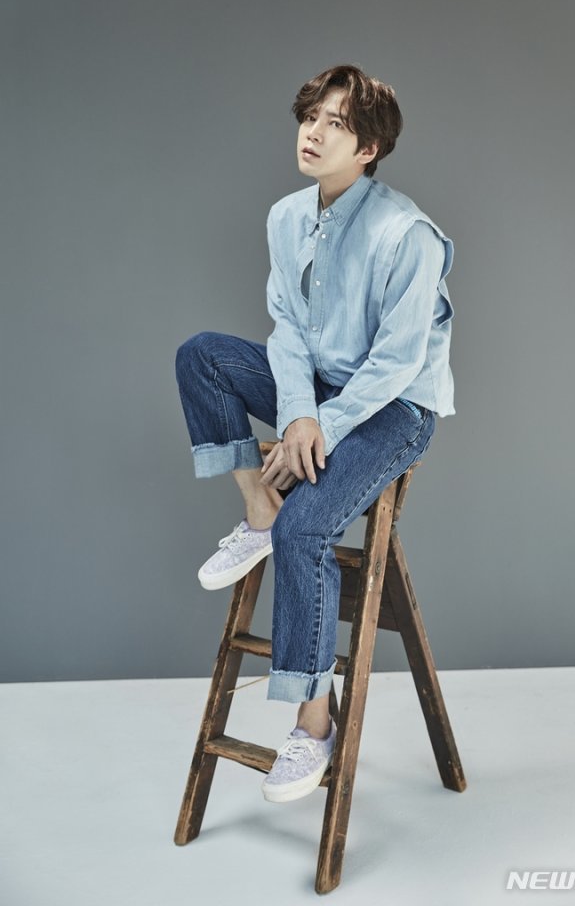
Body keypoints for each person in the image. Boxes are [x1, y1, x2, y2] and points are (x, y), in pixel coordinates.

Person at [175, 63, 455, 803]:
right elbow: (288, 332)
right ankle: (257, 511)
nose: (315, 132)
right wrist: (300, 414)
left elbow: (397, 364)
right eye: (311, 117)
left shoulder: (408, 235)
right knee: (202, 356)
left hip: (396, 409)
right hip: (322, 391)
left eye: (337, 124)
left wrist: (321, 424)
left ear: (368, 148)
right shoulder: (286, 217)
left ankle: (313, 725)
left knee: (307, 528)